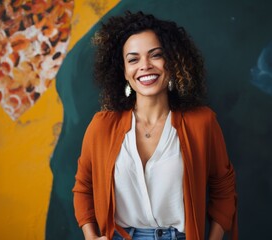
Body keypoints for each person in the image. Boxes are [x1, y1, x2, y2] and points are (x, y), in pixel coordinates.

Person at [73, 11, 238, 240]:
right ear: (124, 71)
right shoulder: (101, 127)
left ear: (171, 62)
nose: (145, 66)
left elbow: (223, 189)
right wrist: (91, 237)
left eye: (156, 55)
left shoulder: (202, 123)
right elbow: (83, 187)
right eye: (133, 59)